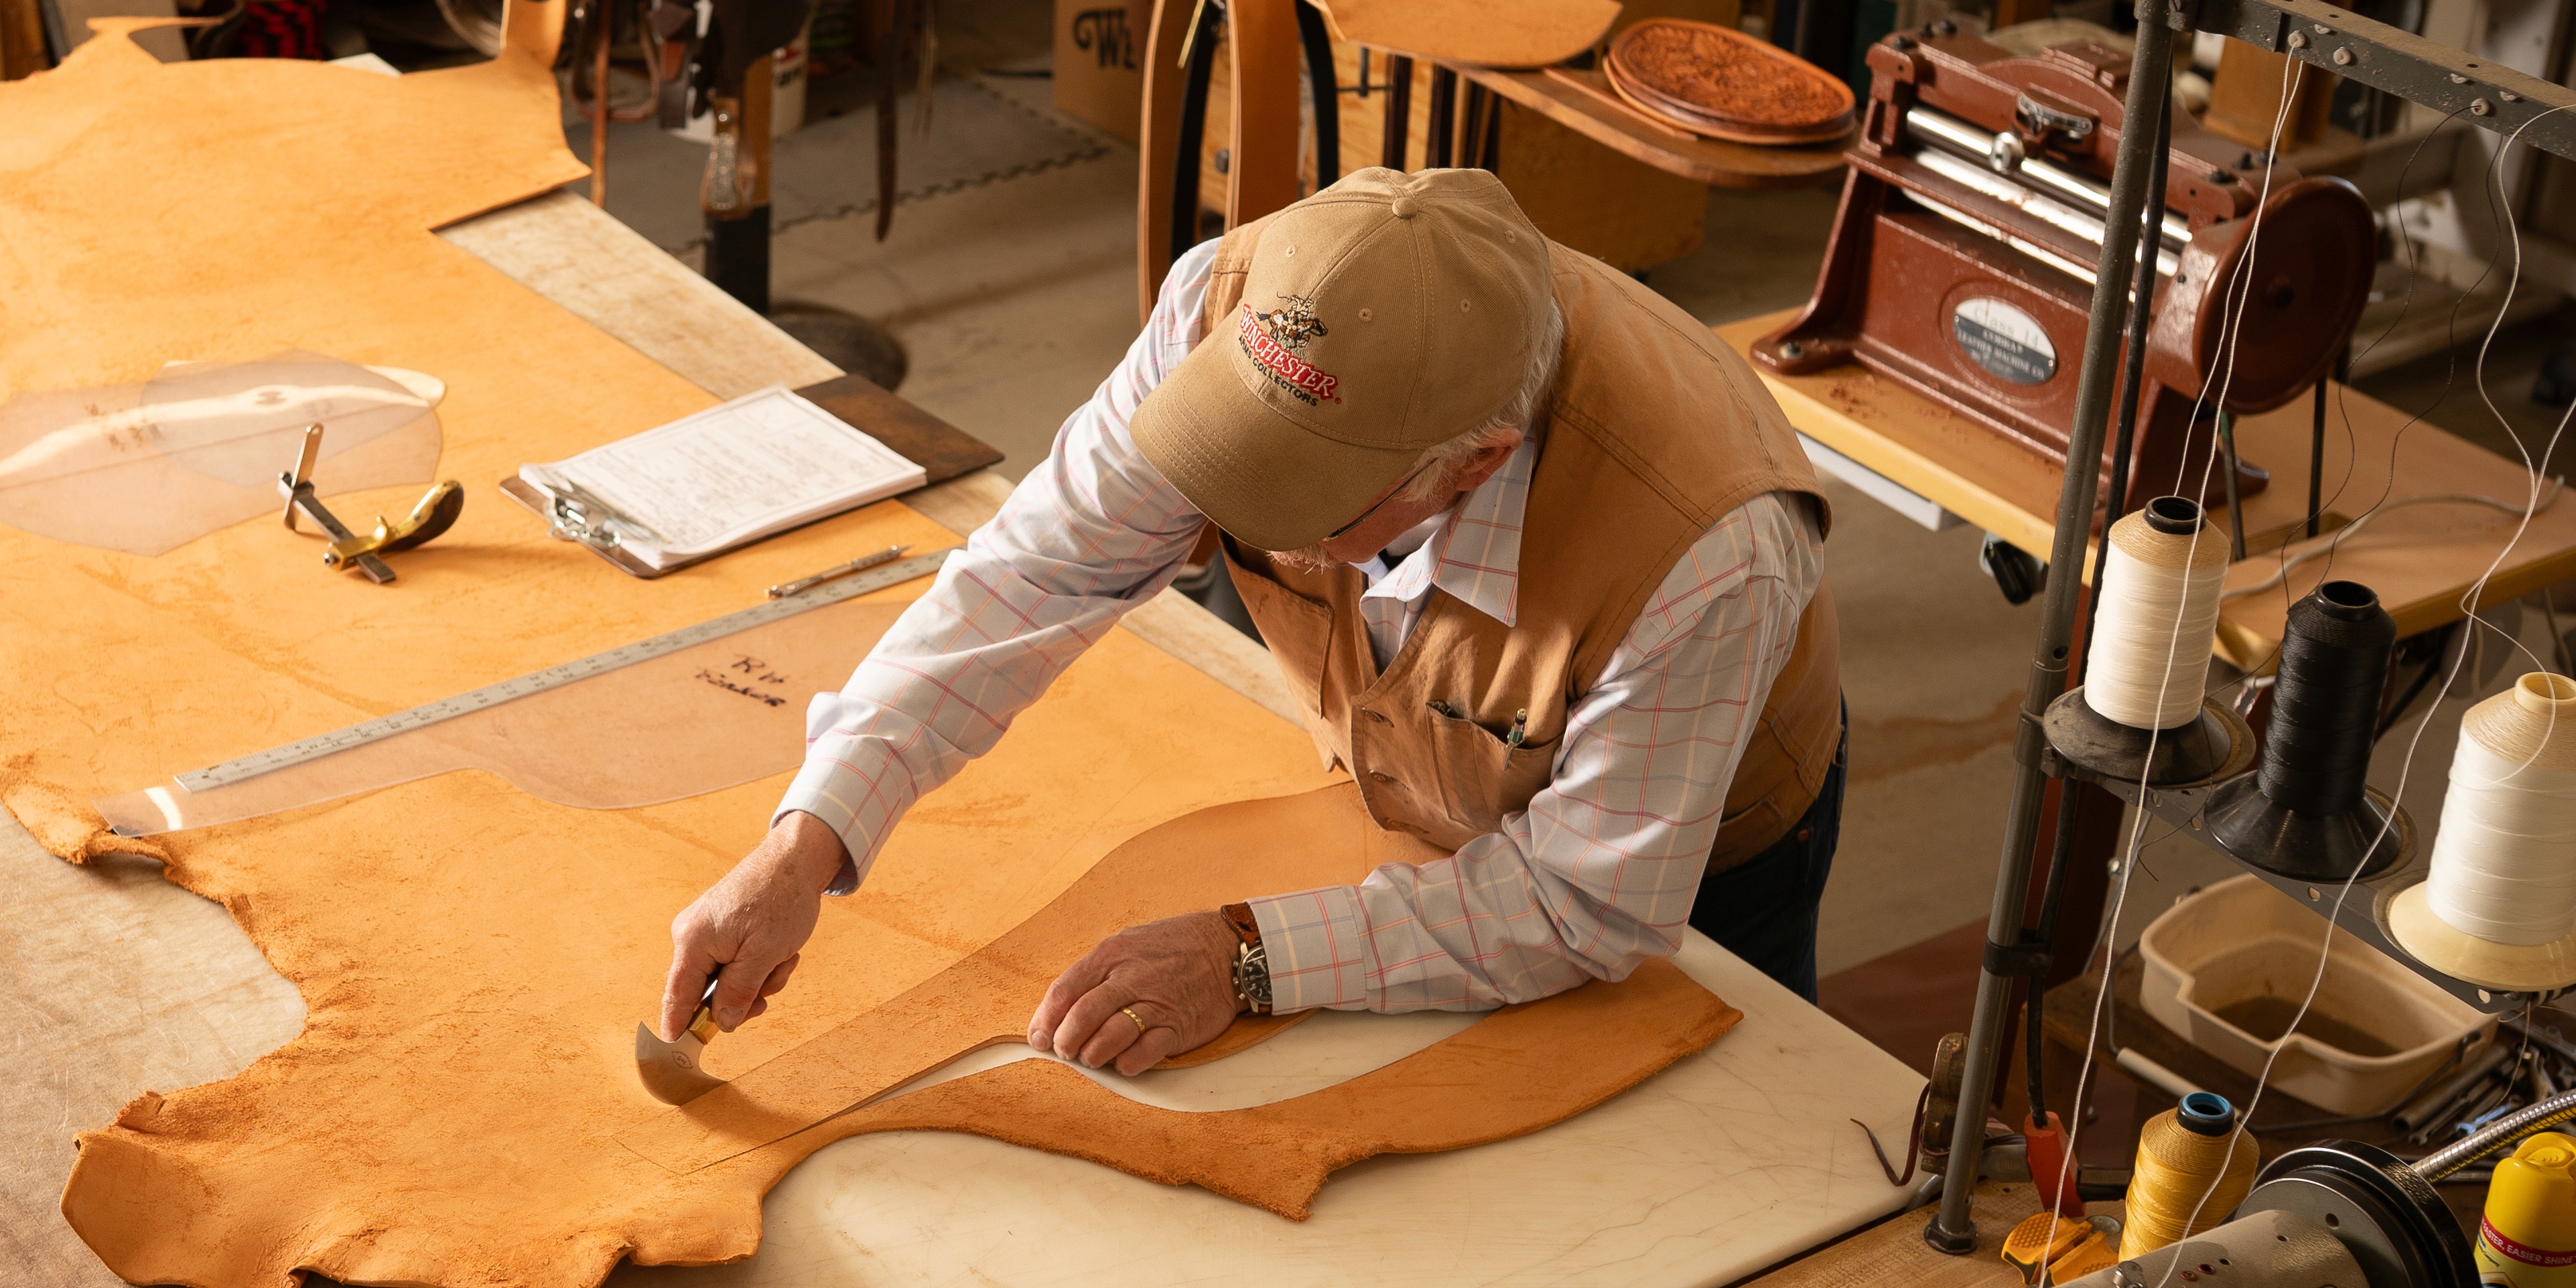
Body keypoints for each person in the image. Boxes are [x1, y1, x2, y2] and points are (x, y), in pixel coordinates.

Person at [655, 166, 1845, 1073]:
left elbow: (1580, 904)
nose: (1243, 522)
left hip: (1684, 867)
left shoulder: (1706, 551)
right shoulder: (1239, 305)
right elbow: (1038, 573)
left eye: (1301, 500)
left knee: (1709, 1162)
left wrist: (1247, 957)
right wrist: (807, 840)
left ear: (1474, 463)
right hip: (1410, 795)